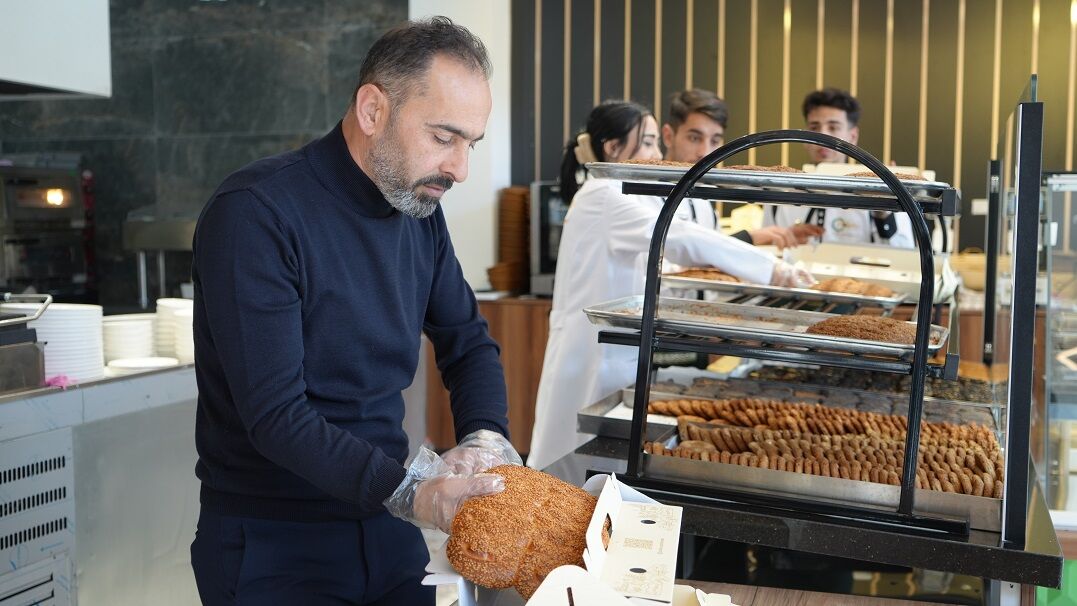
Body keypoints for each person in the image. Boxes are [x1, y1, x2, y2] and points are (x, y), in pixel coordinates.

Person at [189, 17, 522, 605]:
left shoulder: (418, 214)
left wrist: (485, 439)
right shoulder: (257, 213)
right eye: (444, 138)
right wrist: (415, 493)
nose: (460, 169)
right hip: (274, 543)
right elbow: (276, 415)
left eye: (470, 144)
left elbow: (467, 343)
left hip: (386, 527)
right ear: (373, 110)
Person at [527, 100, 814, 472]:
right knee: (569, 469)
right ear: (613, 148)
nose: (656, 154)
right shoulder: (605, 195)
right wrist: (773, 270)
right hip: (593, 354)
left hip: (615, 352)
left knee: (593, 469)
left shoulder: (626, 192)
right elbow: (678, 236)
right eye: (647, 142)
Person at [661, 89, 823, 249]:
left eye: (715, 141)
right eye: (694, 138)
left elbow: (713, 255)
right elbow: (679, 253)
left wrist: (777, 235)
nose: (705, 152)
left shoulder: (702, 196)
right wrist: (751, 237)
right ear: (668, 136)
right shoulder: (643, 195)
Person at [763, 87, 913, 247]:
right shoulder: (780, 194)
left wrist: (883, 212)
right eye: (814, 128)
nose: (822, 136)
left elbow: (905, 253)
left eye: (833, 127)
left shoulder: (883, 188)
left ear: (852, 136)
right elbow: (765, 253)